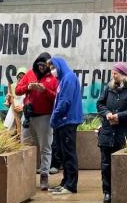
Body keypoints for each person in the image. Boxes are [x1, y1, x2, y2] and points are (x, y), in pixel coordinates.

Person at [96, 63, 127, 203]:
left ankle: (120, 190)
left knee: (121, 163)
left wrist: (119, 116)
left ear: (123, 75)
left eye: (116, 73)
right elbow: (100, 104)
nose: (113, 76)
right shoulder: (108, 88)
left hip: (122, 132)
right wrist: (107, 113)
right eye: (112, 73)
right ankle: (107, 192)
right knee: (105, 164)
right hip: (107, 132)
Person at [14, 53, 58, 190]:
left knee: (45, 147)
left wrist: (44, 90)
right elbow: (17, 90)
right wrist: (28, 87)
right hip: (28, 116)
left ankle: (44, 175)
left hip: (45, 117)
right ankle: (25, 176)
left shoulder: (53, 78)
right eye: (39, 65)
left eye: (44, 66)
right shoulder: (29, 74)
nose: (41, 68)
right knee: (25, 146)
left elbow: (56, 97)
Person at [48, 56, 83, 195]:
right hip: (61, 122)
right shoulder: (63, 79)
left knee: (69, 154)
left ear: (59, 65)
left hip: (67, 121)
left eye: (53, 67)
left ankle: (71, 185)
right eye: (50, 68)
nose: (52, 71)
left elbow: (65, 102)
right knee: (63, 154)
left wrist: (54, 117)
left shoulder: (68, 78)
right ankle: (65, 182)